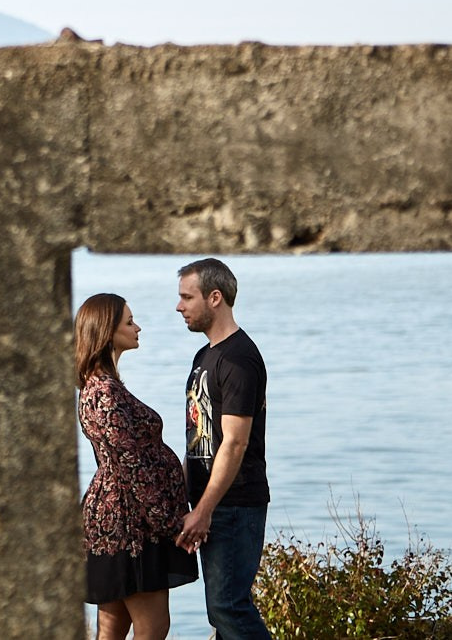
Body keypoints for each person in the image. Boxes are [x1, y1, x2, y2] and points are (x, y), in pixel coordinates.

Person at [76, 292, 199, 640]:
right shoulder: (104, 392)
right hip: (129, 526)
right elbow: (131, 466)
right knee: (153, 628)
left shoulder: (103, 386)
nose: (138, 327)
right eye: (129, 322)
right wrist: (171, 523)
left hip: (124, 520)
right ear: (107, 332)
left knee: (112, 630)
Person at [175, 257, 272, 640]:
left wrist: (204, 510)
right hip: (211, 504)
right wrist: (184, 498)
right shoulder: (206, 356)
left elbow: (234, 442)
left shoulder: (238, 358)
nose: (179, 306)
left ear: (215, 298)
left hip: (234, 504)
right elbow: (198, 437)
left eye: (187, 297)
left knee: (227, 606)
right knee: (221, 612)